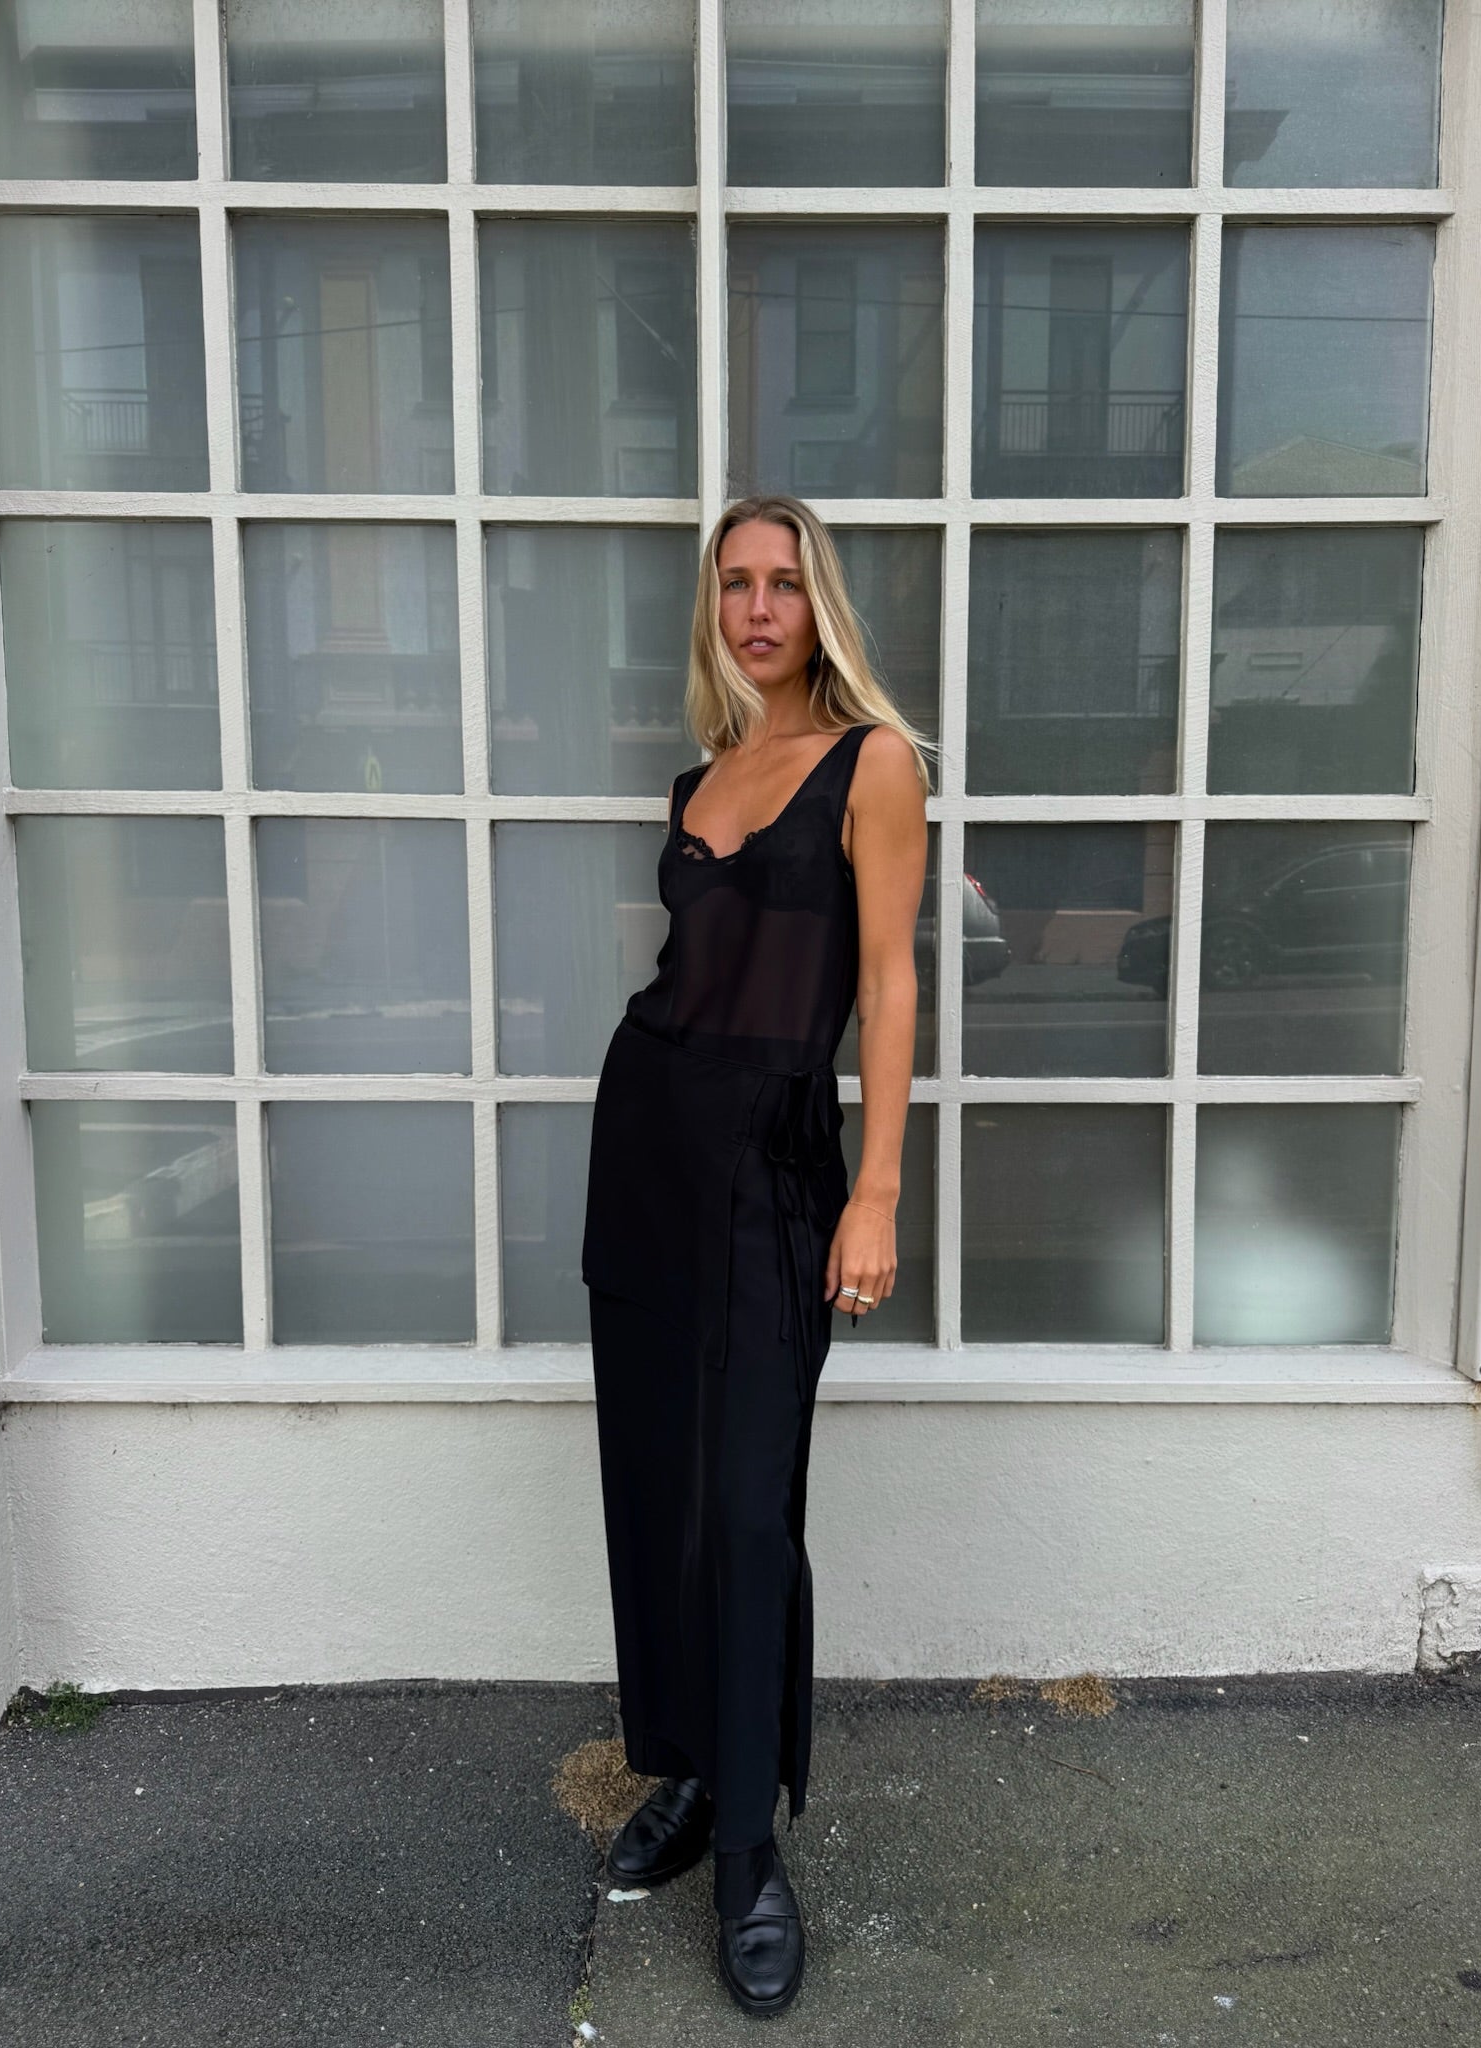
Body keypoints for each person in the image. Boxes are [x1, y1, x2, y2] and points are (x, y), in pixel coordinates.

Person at [580, 493, 931, 2014]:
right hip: (648, 1146)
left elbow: (892, 980)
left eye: (784, 583)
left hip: (779, 1163)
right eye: (737, 583)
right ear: (714, 607)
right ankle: (691, 1771)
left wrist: (879, 1189)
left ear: (820, 603)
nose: (759, 608)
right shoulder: (703, 776)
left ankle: (748, 1854)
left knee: (747, 1507)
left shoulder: (875, 765)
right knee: (661, 1489)